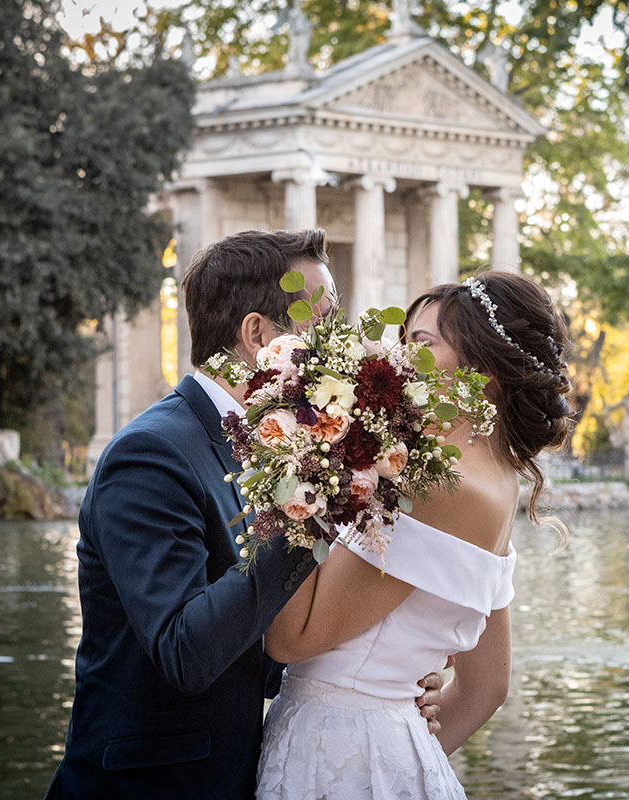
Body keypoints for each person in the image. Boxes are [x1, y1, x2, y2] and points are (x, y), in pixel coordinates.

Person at [45, 230, 445, 799]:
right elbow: (186, 650)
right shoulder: (151, 455)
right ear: (259, 335)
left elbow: (260, 644)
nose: (342, 343)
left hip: (241, 773)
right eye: (323, 322)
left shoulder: (274, 445)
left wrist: (378, 675)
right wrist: (312, 505)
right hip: (152, 785)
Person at [255, 271, 574, 799]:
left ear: (486, 370)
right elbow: (486, 686)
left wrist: (293, 474)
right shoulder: (494, 482)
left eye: (422, 346)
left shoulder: (434, 488)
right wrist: (402, 753)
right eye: (405, 344)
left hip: (334, 751)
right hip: (373, 752)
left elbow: (290, 640)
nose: (401, 362)